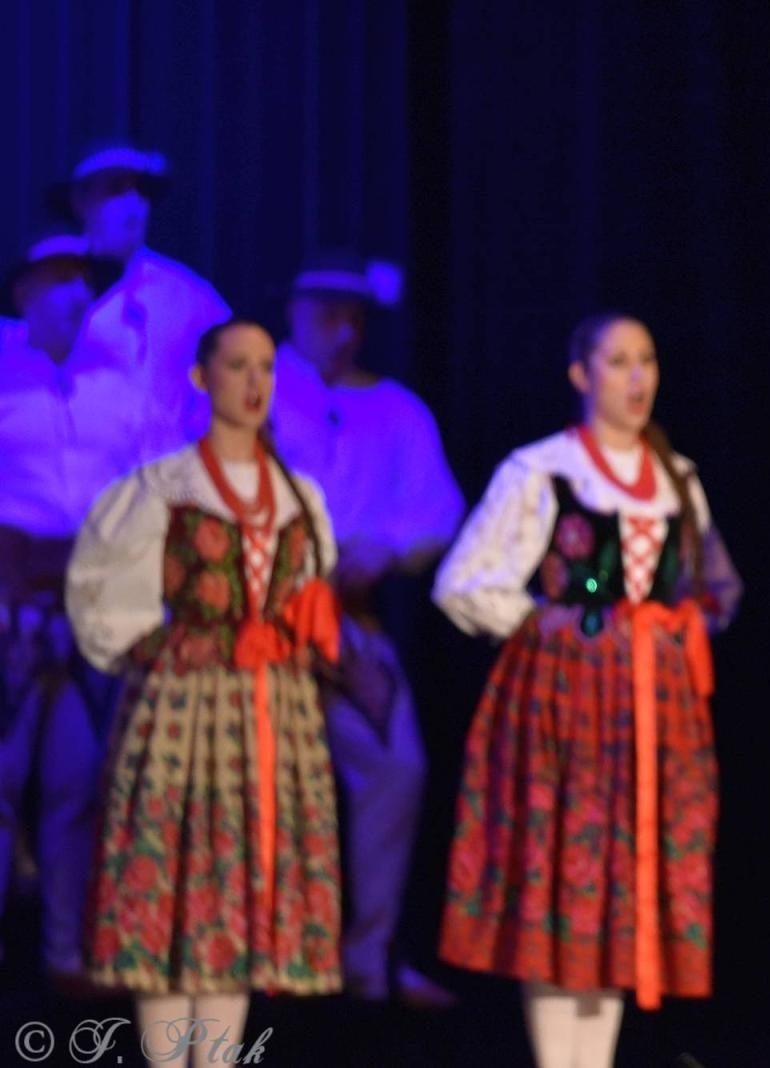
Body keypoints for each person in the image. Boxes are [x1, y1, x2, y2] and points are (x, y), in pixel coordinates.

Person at [432, 312, 742, 1068]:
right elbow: (463, 582)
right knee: (564, 872)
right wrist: (557, 628)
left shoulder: (679, 480)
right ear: (581, 374)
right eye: (618, 362)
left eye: (647, 360)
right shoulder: (542, 471)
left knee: (621, 885)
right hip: (565, 703)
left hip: (655, 711)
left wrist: (676, 628)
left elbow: (716, 589)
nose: (637, 379)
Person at [65, 318, 343, 1065]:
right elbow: (101, 598)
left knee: (236, 906)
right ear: (201, 377)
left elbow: (309, 592)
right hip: (185, 706)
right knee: (171, 887)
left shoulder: (297, 495)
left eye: (265, 368)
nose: (255, 384)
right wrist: (156, 647)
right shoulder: (164, 486)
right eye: (237, 366)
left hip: (272, 711)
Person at [270, 252, 465, 1008]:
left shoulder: (396, 409)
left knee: (397, 768)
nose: (341, 330)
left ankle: (369, 955)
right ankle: (273, 952)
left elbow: (436, 509)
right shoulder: (257, 383)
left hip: (349, 624)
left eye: (353, 316)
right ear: (294, 311)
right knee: (266, 778)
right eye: (326, 312)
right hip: (258, 623)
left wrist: (386, 544)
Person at [0, 231, 141, 995]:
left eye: (86, 281)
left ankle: (64, 954)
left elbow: (148, 487)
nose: (80, 295)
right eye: (61, 280)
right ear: (24, 292)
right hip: (7, 606)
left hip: (88, 610)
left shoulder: (117, 384)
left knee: (77, 781)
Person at [50, 142, 231, 457]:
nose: (133, 204)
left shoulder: (188, 297)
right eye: (116, 190)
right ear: (81, 202)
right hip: (84, 480)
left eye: (141, 191)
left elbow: (234, 376)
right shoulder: (52, 290)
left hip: (169, 483)